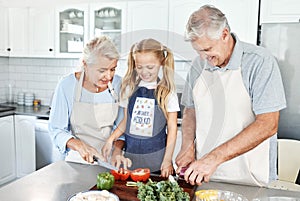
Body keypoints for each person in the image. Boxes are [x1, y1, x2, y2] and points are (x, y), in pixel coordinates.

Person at [175, 5, 286, 187]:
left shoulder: (259, 62)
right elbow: (190, 110)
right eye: (198, 51)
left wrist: (213, 159)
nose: (203, 58)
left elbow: (268, 124)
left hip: (250, 177)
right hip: (205, 175)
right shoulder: (198, 65)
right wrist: (188, 146)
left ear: (225, 34)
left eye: (208, 49)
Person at [102, 38, 180, 177]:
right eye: (139, 67)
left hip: (158, 161)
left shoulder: (167, 93)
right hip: (131, 160)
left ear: (161, 62)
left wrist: (167, 160)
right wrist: (110, 140)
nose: (144, 72)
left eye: (150, 67)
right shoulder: (129, 89)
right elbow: (126, 122)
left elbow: (172, 129)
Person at [48, 36, 130, 167]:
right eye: (102, 70)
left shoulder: (119, 84)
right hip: (76, 160)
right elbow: (57, 129)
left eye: (113, 69)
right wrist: (79, 145)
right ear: (85, 65)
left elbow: (121, 128)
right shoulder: (67, 85)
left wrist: (117, 151)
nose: (108, 76)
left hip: (108, 161)